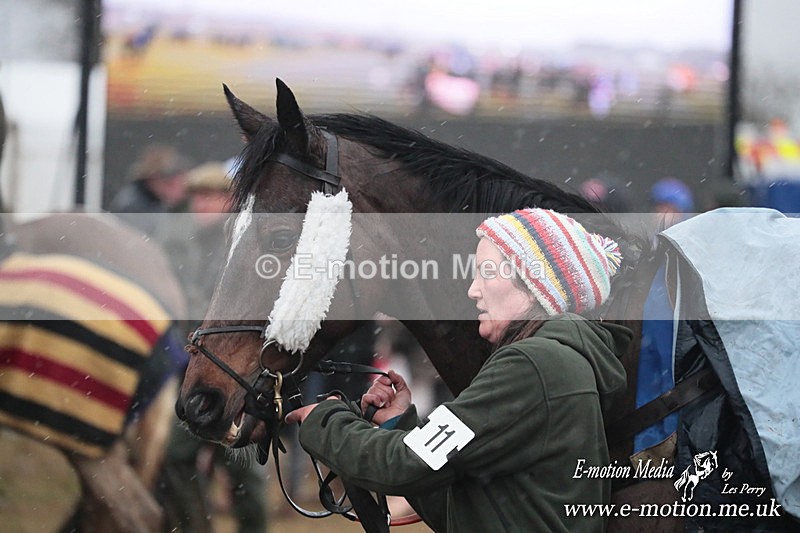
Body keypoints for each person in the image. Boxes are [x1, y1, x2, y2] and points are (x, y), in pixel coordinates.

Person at [287, 208, 631, 532]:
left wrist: (326, 420)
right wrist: (398, 422)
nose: (472, 290)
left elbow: (405, 465)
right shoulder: (559, 362)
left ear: (532, 284)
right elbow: (461, 510)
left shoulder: (533, 365)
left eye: (487, 272)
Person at [157, 160, 269, 533]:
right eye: (196, 197)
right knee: (176, 456)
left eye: (211, 196)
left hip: (235, 371)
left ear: (230, 199)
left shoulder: (244, 244)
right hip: (190, 368)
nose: (201, 205)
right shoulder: (178, 244)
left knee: (241, 466)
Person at [108, 144, 191, 238]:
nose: (182, 192)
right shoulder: (134, 205)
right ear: (156, 179)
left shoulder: (154, 202)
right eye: (173, 184)